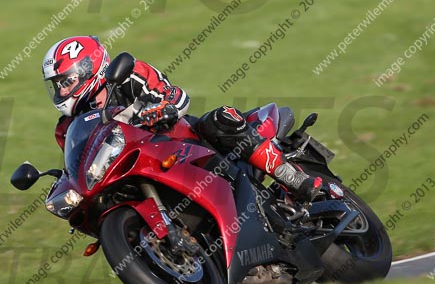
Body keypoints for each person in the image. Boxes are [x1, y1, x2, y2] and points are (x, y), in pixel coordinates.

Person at [42, 35, 322, 201]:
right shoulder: (66, 129)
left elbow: (176, 96)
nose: (62, 91)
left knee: (220, 118)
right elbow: (78, 168)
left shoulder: (130, 75)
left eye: (66, 82)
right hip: (136, 170)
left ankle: (291, 177)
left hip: (185, 145)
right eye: (57, 85)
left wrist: (161, 108)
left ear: (90, 69)